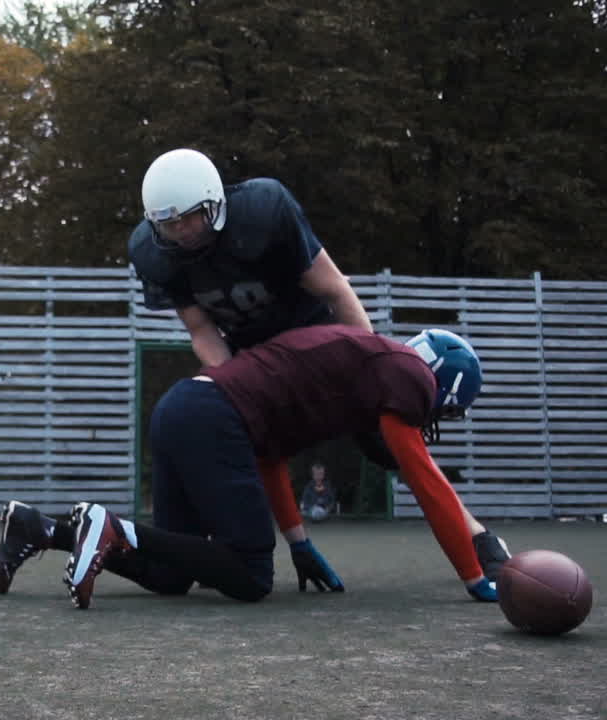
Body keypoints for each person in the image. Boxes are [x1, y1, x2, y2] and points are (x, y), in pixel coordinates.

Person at [127, 148, 506, 580]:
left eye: (189, 217)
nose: (181, 231)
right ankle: (214, 539)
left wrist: (370, 366)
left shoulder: (263, 212)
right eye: (168, 223)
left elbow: (335, 291)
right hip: (256, 356)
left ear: (214, 203)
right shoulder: (154, 252)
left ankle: (477, 538)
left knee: (389, 442)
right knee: (239, 433)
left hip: (319, 343)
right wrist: (234, 386)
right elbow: (201, 330)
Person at [0, 324, 512, 609]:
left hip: (183, 409)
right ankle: (109, 526)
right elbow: (425, 482)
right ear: (441, 385)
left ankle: (42, 527)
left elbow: (269, 460)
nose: (428, 419)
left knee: (172, 575)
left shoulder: (359, 363)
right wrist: (474, 576)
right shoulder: (409, 374)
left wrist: (301, 545)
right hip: (214, 418)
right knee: (251, 574)